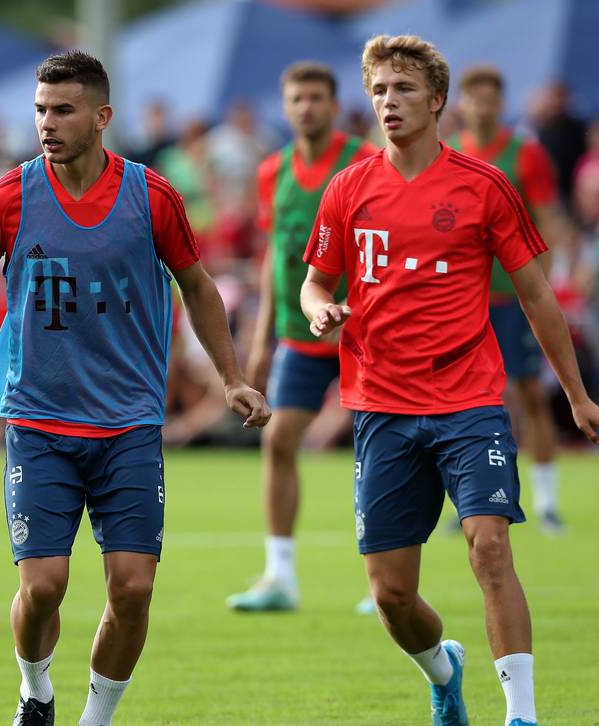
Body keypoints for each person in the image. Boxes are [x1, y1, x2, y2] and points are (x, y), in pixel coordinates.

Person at [0, 51, 270, 726]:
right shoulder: (6, 198)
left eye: (62, 110)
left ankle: (95, 719)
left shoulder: (152, 197)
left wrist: (232, 377)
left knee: (133, 587)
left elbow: (199, 286)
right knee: (43, 588)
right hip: (40, 420)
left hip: (129, 423)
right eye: (39, 110)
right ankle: (35, 691)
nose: (47, 124)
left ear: (102, 116)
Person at [301, 35, 599, 726]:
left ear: (437, 101)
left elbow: (537, 296)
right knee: (390, 596)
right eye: (380, 90)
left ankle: (521, 715)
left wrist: (576, 395)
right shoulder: (349, 187)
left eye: (404, 90)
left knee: (489, 543)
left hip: (469, 401)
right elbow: (315, 280)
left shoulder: (484, 184)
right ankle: (444, 671)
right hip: (381, 407)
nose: (389, 102)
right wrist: (319, 307)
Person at [227, 62, 375, 613]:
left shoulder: (363, 161)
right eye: (297, 98)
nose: (306, 107)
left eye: (316, 97)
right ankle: (279, 576)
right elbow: (272, 260)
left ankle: (382, 580)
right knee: (279, 438)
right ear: (285, 107)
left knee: (379, 448)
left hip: (360, 329)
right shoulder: (273, 171)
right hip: (297, 329)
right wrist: (261, 339)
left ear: (334, 106)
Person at [450, 65, 569, 533]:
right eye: (473, 97)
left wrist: (544, 283)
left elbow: (548, 221)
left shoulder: (526, 155)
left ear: (501, 103)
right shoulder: (448, 153)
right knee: (464, 403)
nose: (481, 105)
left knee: (531, 394)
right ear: (458, 102)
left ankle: (546, 500)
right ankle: (467, 500)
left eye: (489, 97)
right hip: (464, 301)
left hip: (512, 297)